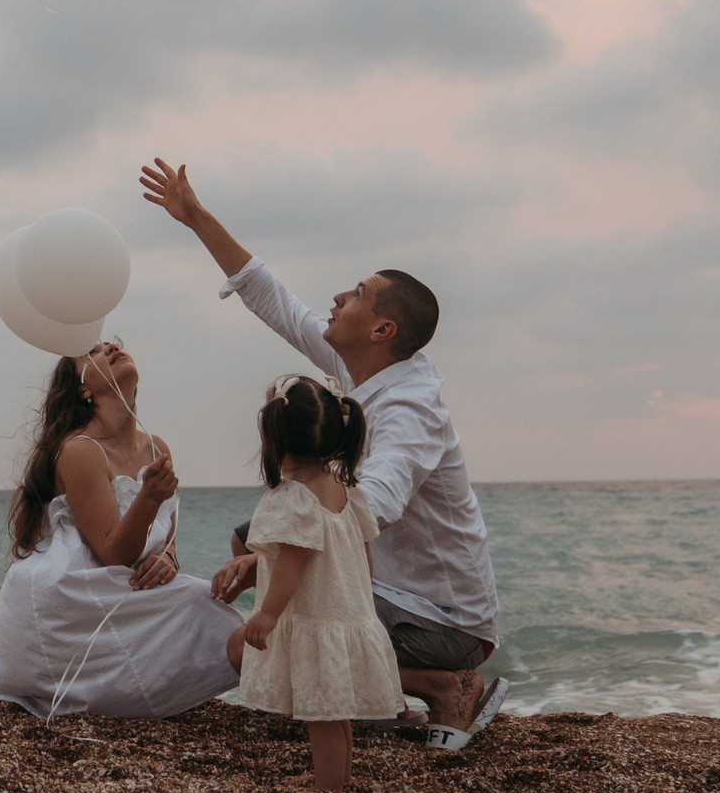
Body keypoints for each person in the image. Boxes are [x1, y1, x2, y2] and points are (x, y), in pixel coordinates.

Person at [142, 157, 505, 742]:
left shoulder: (412, 409)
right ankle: (375, 702)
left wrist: (273, 565)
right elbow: (274, 300)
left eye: (357, 294)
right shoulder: (362, 364)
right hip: (383, 587)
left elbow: (373, 505)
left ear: (382, 330)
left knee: (256, 627)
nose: (337, 297)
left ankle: (442, 685)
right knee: (252, 537)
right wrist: (195, 216)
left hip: (440, 621)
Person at [0, 340, 245, 720]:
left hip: (125, 584)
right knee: (205, 606)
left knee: (214, 610)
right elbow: (112, 552)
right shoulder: (80, 450)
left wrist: (168, 557)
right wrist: (148, 497)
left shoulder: (156, 446)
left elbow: (167, 533)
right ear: (83, 391)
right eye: (92, 352)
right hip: (73, 596)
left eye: (112, 343)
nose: (110, 347)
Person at [222, 375, 406, 793]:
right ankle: (339, 777)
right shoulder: (345, 489)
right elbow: (363, 554)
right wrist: (359, 600)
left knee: (320, 714)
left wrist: (267, 614)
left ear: (273, 439)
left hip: (316, 618)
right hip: (344, 613)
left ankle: (328, 788)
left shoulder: (293, 498)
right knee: (335, 709)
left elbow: (293, 561)